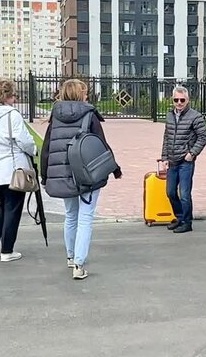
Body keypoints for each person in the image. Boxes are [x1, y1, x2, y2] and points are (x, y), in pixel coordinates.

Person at [40, 79, 122, 280]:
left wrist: (45, 174)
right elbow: (100, 144)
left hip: (64, 174)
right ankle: (79, 263)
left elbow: (47, 147)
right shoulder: (89, 114)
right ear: (79, 94)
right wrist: (115, 168)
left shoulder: (55, 116)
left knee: (71, 214)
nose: (87, 95)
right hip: (86, 172)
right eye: (85, 92)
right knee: (86, 217)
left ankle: (70, 256)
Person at [0, 78, 36, 262]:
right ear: (7, 96)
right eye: (13, 95)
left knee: (1, 204)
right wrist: (34, 150)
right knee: (13, 207)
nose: (15, 99)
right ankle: (7, 250)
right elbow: (24, 140)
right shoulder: (12, 115)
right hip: (11, 168)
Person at [159, 86, 206, 233]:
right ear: (172, 100)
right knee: (170, 192)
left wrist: (192, 153)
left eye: (182, 100)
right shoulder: (169, 115)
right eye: (176, 100)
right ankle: (180, 217)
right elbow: (166, 137)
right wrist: (164, 158)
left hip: (185, 161)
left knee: (185, 194)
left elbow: (203, 137)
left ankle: (187, 222)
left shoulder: (195, 116)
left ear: (187, 100)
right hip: (172, 161)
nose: (179, 103)